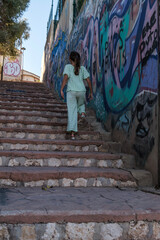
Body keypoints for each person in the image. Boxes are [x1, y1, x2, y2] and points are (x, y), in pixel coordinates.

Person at [61, 51, 93, 140]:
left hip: (71, 92)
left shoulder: (68, 67)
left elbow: (65, 78)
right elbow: (88, 81)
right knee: (81, 102)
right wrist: (91, 92)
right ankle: (82, 113)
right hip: (82, 91)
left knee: (72, 111)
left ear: (70, 59)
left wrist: (61, 89)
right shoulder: (82, 68)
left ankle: (72, 133)